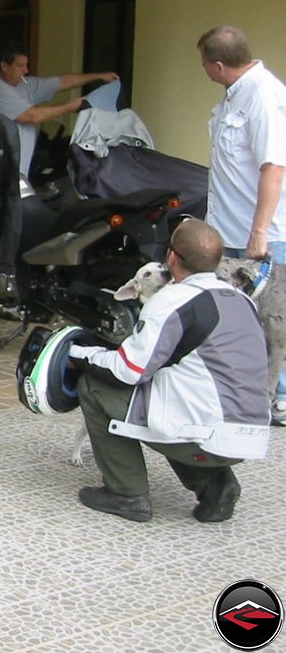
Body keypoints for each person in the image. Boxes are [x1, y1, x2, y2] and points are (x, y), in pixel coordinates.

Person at [68, 219, 270, 523]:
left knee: (95, 387)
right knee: (175, 402)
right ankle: (215, 484)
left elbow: (129, 370)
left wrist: (82, 355)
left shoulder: (172, 301)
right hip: (251, 436)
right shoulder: (241, 299)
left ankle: (126, 493)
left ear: (172, 257)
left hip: (206, 435)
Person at [198, 24, 286, 427]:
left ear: (218, 65)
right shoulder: (234, 94)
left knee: (273, 322)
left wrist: (260, 230)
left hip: (261, 237)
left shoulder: (264, 96)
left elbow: (274, 166)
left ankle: (278, 400)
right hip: (227, 229)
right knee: (239, 319)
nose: (204, 71)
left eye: (205, 65)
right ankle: (243, 395)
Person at [0, 41, 118, 179]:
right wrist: (71, 106)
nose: (26, 70)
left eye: (26, 65)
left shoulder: (25, 85)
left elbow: (63, 82)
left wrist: (100, 76)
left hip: (20, 171)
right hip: (2, 174)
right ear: (4, 66)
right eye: (20, 66)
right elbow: (32, 116)